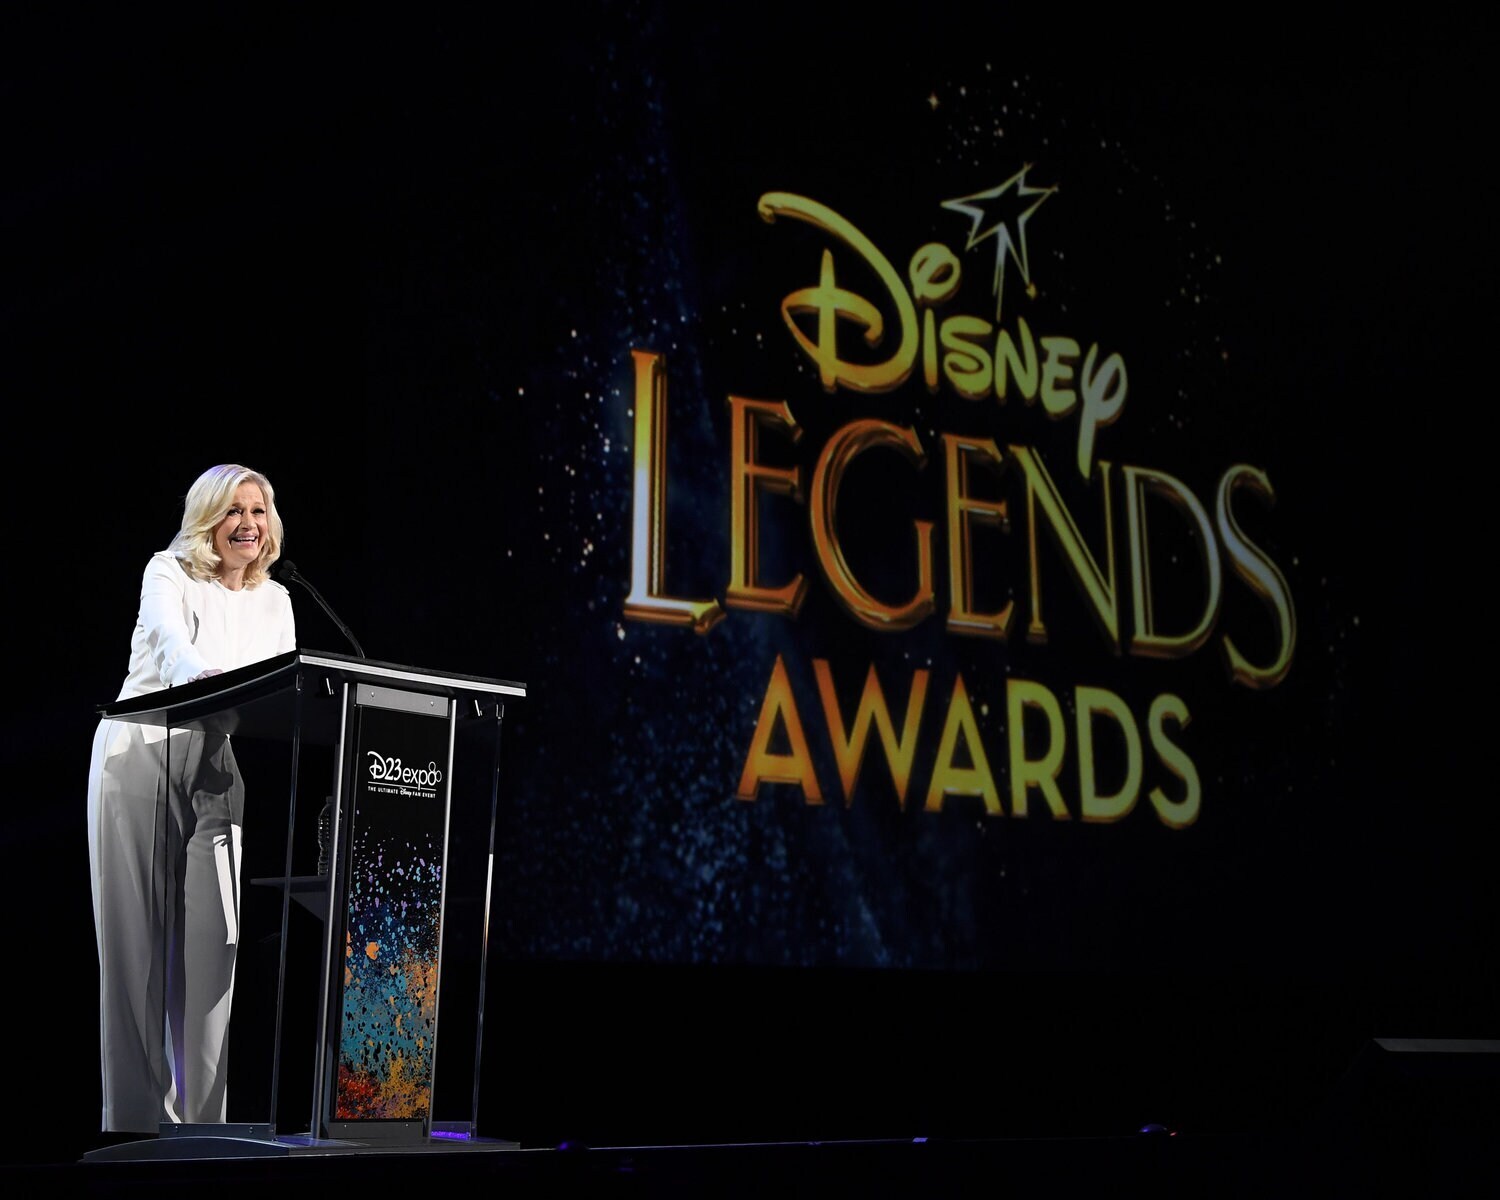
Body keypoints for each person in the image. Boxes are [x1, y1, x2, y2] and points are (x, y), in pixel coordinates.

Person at [87, 464, 297, 1133]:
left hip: (216, 760)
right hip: (141, 748)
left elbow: (281, 684)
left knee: (220, 943)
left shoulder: (276, 601)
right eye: (234, 511)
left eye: (259, 511)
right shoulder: (167, 573)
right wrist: (200, 677)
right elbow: (174, 651)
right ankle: (135, 1125)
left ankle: (203, 1127)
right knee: (137, 951)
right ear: (208, 520)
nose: (249, 524)